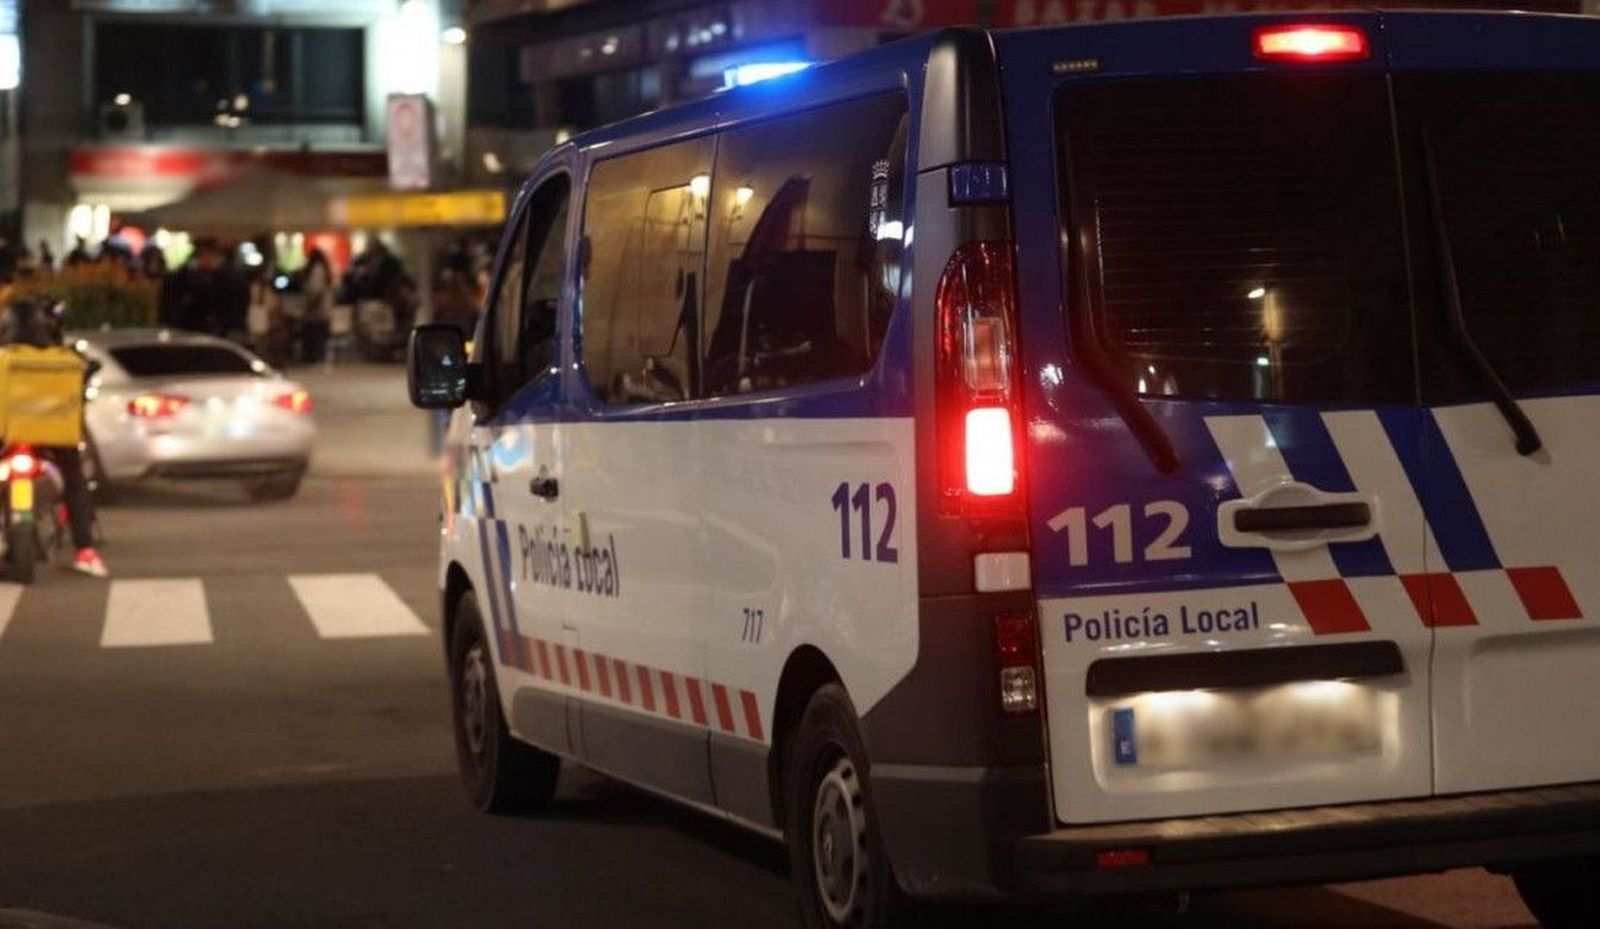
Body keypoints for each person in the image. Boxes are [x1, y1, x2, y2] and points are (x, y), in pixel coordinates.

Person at [0, 299, 108, 578]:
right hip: (56, 435)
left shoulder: (4, 356)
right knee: (74, 481)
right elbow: (86, 374)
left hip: (7, 434)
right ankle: (86, 552)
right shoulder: (64, 357)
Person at [300, 248, 335, 364]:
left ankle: (313, 356)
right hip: (324, 306)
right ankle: (319, 355)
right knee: (321, 333)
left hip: (317, 306)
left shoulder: (316, 269)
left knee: (313, 332)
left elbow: (317, 290)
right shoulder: (325, 269)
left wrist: (312, 305)